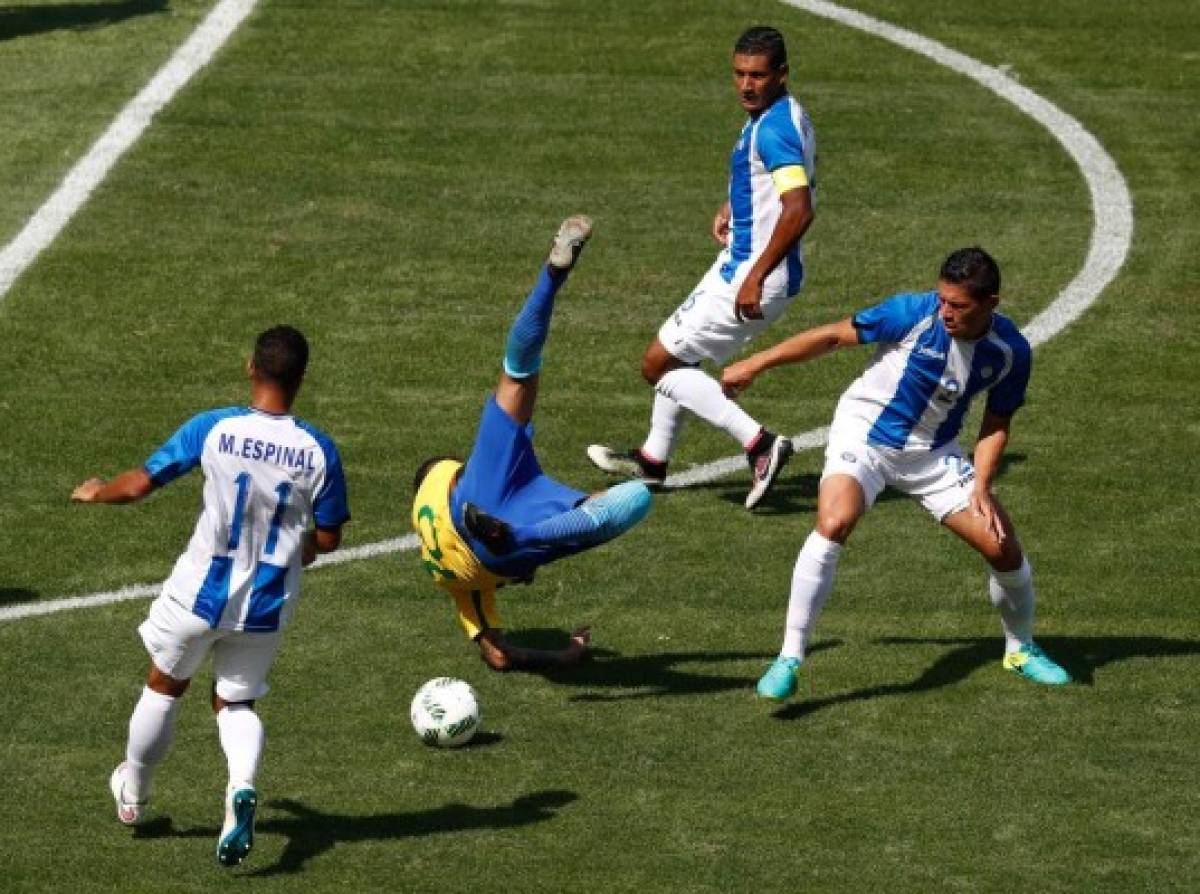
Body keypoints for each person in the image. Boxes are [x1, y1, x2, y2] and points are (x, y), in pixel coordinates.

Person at [719, 247, 1071, 700]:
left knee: (1002, 547)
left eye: (958, 305)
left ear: (990, 304)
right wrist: (755, 363)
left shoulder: (1010, 352)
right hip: (864, 436)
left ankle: (1020, 649)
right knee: (834, 523)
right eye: (942, 299)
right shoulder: (912, 313)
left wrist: (981, 485)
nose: (944, 311)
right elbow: (831, 337)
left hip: (933, 454)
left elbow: (997, 422)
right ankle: (789, 656)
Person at [71, 325, 350, 866]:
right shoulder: (318, 450)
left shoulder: (215, 428)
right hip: (266, 605)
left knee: (166, 684)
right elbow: (330, 537)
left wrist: (95, 493)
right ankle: (239, 787)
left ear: (251, 367)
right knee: (235, 701)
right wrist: (302, 548)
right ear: (301, 379)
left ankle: (135, 793)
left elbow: (139, 484)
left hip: (198, 595)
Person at [587, 25, 817, 510]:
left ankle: (759, 443)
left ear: (782, 74)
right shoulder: (780, 115)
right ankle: (652, 462)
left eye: (757, 75)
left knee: (658, 364)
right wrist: (734, 204)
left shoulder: (773, 128)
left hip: (750, 275)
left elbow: (798, 208)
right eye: (739, 74)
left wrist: (754, 276)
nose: (746, 85)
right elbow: (770, 182)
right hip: (747, 264)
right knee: (679, 355)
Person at [412, 216, 652, 671]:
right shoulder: (433, 490)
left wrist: (567, 656)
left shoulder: (461, 588)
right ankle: (551, 277)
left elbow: (498, 657)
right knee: (517, 372)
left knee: (631, 499)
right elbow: (443, 475)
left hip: (490, 542)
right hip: (473, 487)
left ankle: (520, 538)